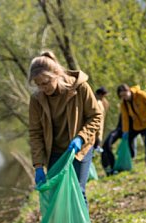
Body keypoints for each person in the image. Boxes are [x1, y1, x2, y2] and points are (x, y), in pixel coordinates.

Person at [28, 51, 102, 201]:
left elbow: (96, 116)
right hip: (54, 152)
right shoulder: (36, 100)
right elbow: (35, 133)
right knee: (57, 196)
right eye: (38, 84)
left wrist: (81, 138)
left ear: (56, 73)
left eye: (46, 82)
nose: (43, 88)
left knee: (76, 192)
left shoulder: (80, 88)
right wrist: (38, 166)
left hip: (79, 149)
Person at [101, 84, 146, 174]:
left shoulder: (140, 95)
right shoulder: (124, 104)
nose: (124, 97)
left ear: (128, 90)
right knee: (129, 139)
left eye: (125, 94)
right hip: (137, 125)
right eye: (121, 96)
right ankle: (131, 157)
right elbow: (125, 119)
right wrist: (125, 131)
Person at [94, 86, 110, 152]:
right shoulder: (96, 102)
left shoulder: (100, 102)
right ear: (100, 94)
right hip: (95, 129)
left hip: (99, 128)